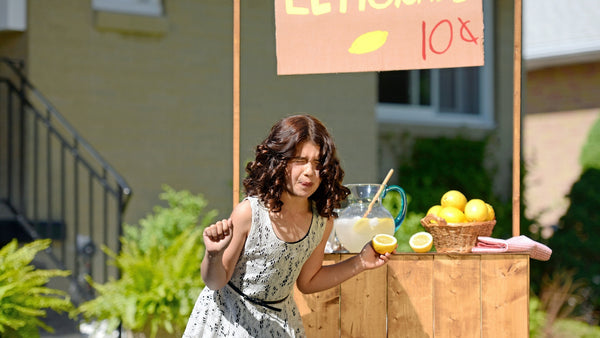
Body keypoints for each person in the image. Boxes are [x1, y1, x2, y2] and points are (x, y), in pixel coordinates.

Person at [183, 114, 394, 337]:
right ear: (279, 162)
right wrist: (214, 255)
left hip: (280, 324)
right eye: (300, 161)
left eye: (317, 163)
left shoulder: (322, 221)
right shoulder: (249, 213)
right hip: (225, 322)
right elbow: (215, 281)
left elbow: (308, 281)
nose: (309, 172)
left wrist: (360, 262)